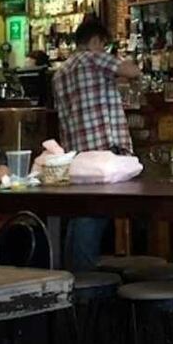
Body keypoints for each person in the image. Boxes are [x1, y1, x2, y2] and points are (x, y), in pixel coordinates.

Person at [53, 17, 141, 271]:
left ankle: (71, 275)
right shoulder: (94, 58)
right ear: (95, 41)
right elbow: (132, 71)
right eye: (104, 45)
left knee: (81, 213)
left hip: (77, 156)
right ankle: (84, 279)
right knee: (93, 216)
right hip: (103, 154)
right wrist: (123, 63)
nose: (104, 50)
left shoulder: (60, 72)